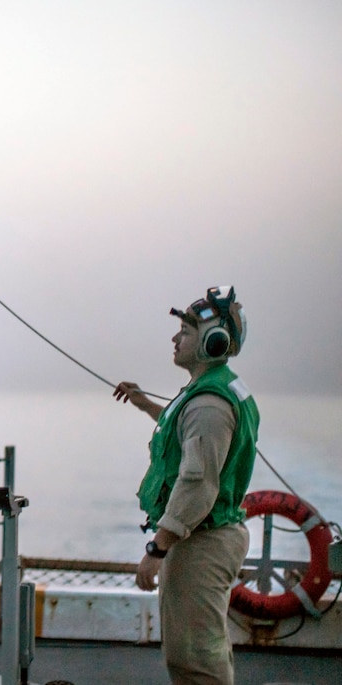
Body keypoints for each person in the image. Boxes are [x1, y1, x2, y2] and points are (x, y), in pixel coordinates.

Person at [113, 285, 259, 685]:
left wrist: (156, 549)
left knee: (194, 658)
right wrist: (145, 404)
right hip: (206, 536)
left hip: (202, 541)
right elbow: (186, 431)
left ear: (214, 342)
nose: (176, 338)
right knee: (200, 649)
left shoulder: (209, 405)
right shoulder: (214, 392)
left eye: (187, 332)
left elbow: (197, 485)